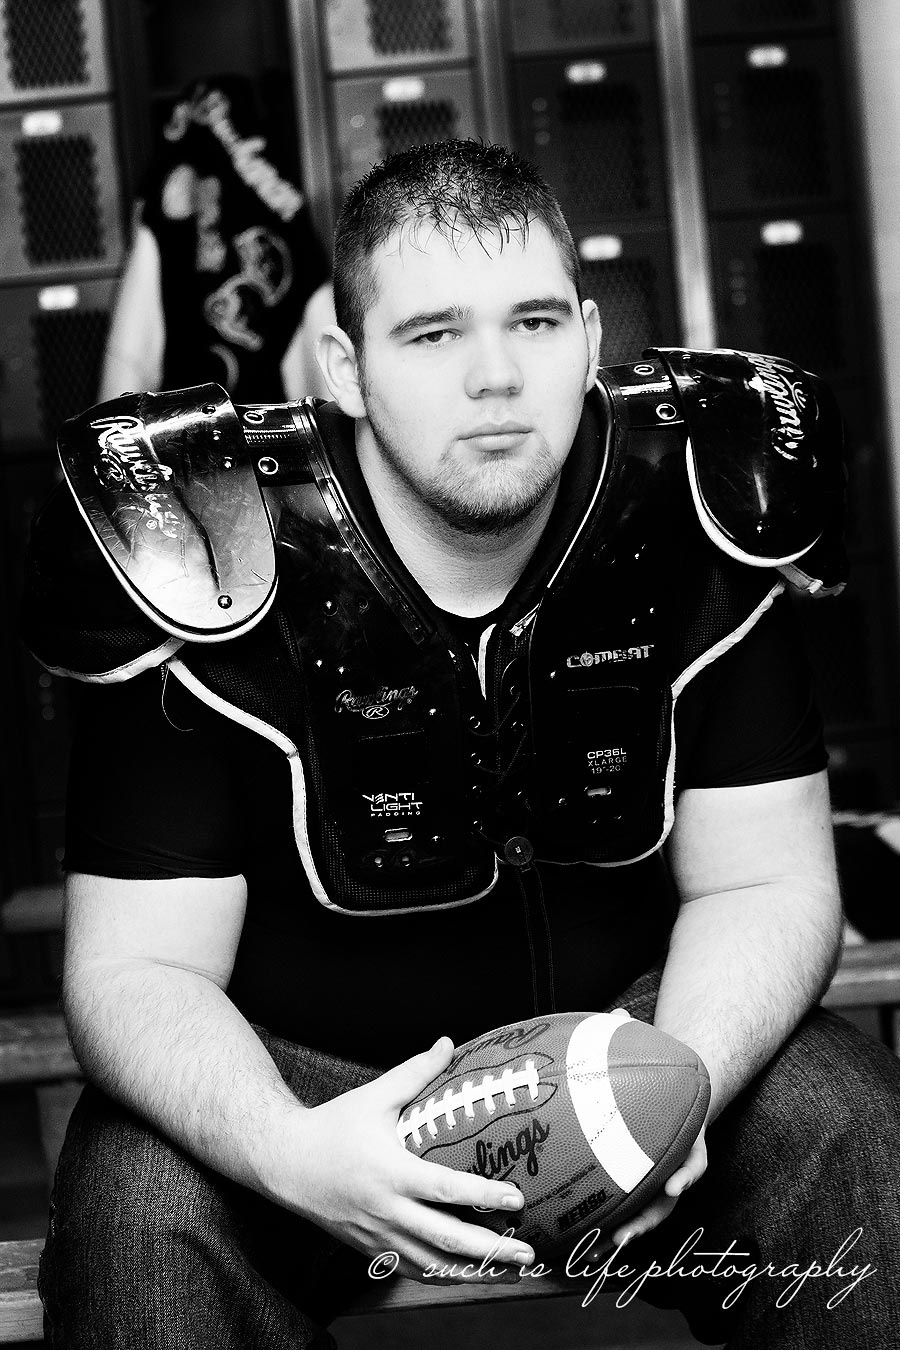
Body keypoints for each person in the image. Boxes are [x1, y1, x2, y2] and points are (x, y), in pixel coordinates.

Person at [26, 140, 900, 1349]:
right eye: (433, 334)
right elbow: (132, 973)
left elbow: (769, 878)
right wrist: (290, 1152)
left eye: (535, 322)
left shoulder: (696, 506)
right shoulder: (202, 550)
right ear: (344, 365)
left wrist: (673, 1085)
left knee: (851, 1123)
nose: (496, 376)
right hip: (311, 1088)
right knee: (141, 1202)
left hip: (636, 1034)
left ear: (591, 339)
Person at [98, 75, 335, 405]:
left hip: (183, 427)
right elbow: (318, 330)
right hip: (269, 424)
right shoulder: (285, 208)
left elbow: (131, 352)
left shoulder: (164, 217)